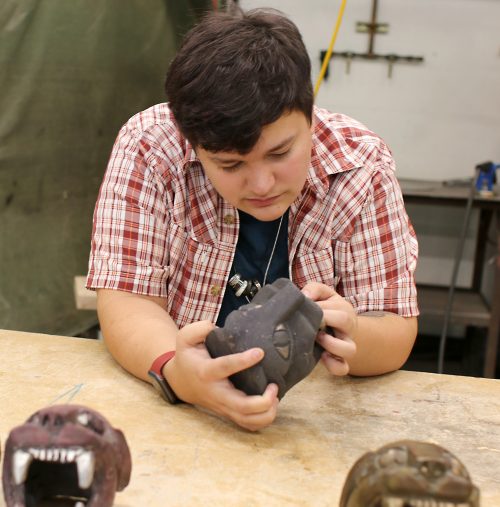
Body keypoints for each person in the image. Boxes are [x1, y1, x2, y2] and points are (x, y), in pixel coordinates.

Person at [87, 8, 419, 431]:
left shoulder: (361, 165)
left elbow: (395, 327)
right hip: (174, 414)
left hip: (310, 421)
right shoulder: (149, 147)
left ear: (310, 113)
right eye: (230, 164)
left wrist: (352, 333)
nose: (261, 184)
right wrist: (177, 372)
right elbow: (126, 299)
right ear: (191, 141)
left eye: (280, 153)